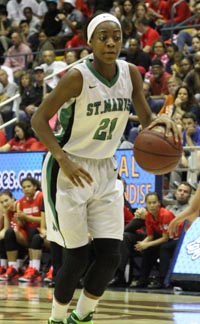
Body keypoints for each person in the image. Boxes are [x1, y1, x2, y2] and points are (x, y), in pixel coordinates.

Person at [31, 13, 180, 324]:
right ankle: (56, 319)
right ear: (90, 42)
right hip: (67, 168)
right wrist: (62, 158)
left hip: (105, 168)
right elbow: (38, 121)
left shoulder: (130, 73)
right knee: (77, 256)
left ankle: (81, 317)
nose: (111, 42)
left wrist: (161, 121)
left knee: (112, 255)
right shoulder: (76, 77)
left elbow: (145, 117)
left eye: (116, 36)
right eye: (103, 36)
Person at [149, 182, 193, 288]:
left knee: (165, 246)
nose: (182, 193)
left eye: (185, 192)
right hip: (167, 235)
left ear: (189, 195)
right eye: (180, 190)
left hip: (183, 239)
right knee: (150, 245)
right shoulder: (168, 208)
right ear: (176, 193)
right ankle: (143, 278)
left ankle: (162, 279)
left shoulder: (191, 210)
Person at [132, 192, 175, 288]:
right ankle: (142, 280)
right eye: (149, 203)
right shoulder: (148, 216)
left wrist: (147, 244)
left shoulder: (165, 214)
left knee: (164, 247)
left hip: (176, 238)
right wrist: (142, 244)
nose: (152, 205)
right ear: (146, 204)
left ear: (159, 203)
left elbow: (165, 238)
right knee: (148, 249)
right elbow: (150, 236)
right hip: (162, 237)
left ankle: (162, 280)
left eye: (154, 202)